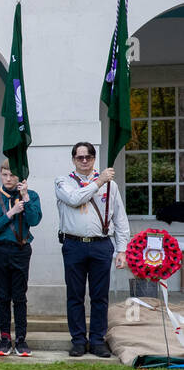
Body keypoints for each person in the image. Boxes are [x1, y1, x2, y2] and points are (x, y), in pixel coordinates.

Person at [54, 141, 129, 358]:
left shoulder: (110, 185)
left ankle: (97, 340)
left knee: (100, 296)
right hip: (73, 244)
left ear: (94, 158)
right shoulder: (63, 182)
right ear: (74, 160)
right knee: (75, 296)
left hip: (100, 245)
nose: (84, 161)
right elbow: (75, 199)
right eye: (80, 157)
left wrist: (122, 250)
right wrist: (98, 182)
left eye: (88, 157)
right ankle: (78, 340)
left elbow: (120, 219)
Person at [0, 161, 42, 357]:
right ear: (0, 175)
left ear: (20, 177)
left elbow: (34, 220)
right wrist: (12, 212)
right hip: (0, 249)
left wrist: (25, 198)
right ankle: (4, 338)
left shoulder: (31, 196)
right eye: (5, 175)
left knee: (19, 296)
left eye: (12, 175)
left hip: (21, 250)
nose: (8, 179)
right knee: (2, 295)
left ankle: (21, 339)